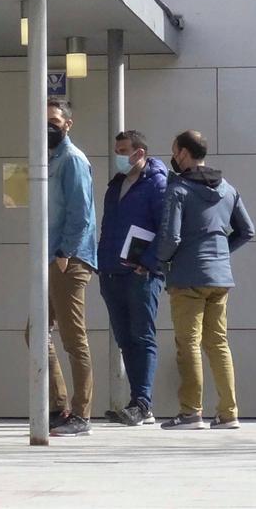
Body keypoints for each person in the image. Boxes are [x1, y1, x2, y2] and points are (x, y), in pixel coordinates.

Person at [156, 130, 255, 431]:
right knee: (218, 344)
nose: (172, 157)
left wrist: (160, 262)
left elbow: (171, 236)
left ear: (184, 154)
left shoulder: (178, 189)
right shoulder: (228, 189)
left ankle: (190, 413)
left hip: (188, 278)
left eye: (174, 151)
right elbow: (246, 230)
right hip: (220, 277)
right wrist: (221, 253)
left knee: (188, 344)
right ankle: (228, 413)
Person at [36, 99, 98, 438]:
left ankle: (82, 414)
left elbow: (81, 211)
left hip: (68, 260)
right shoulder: (47, 158)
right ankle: (60, 405)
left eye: (55, 120)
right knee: (36, 333)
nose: (49, 126)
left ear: (68, 124)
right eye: (44, 119)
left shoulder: (72, 160)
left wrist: (65, 252)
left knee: (75, 339)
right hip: (50, 258)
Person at [98, 130, 167, 427]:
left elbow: (167, 230)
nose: (118, 155)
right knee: (125, 338)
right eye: (117, 149)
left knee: (142, 336)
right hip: (112, 271)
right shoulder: (115, 186)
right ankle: (134, 402)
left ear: (139, 153)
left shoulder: (158, 185)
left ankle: (143, 402)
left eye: (123, 150)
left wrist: (149, 262)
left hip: (142, 274)